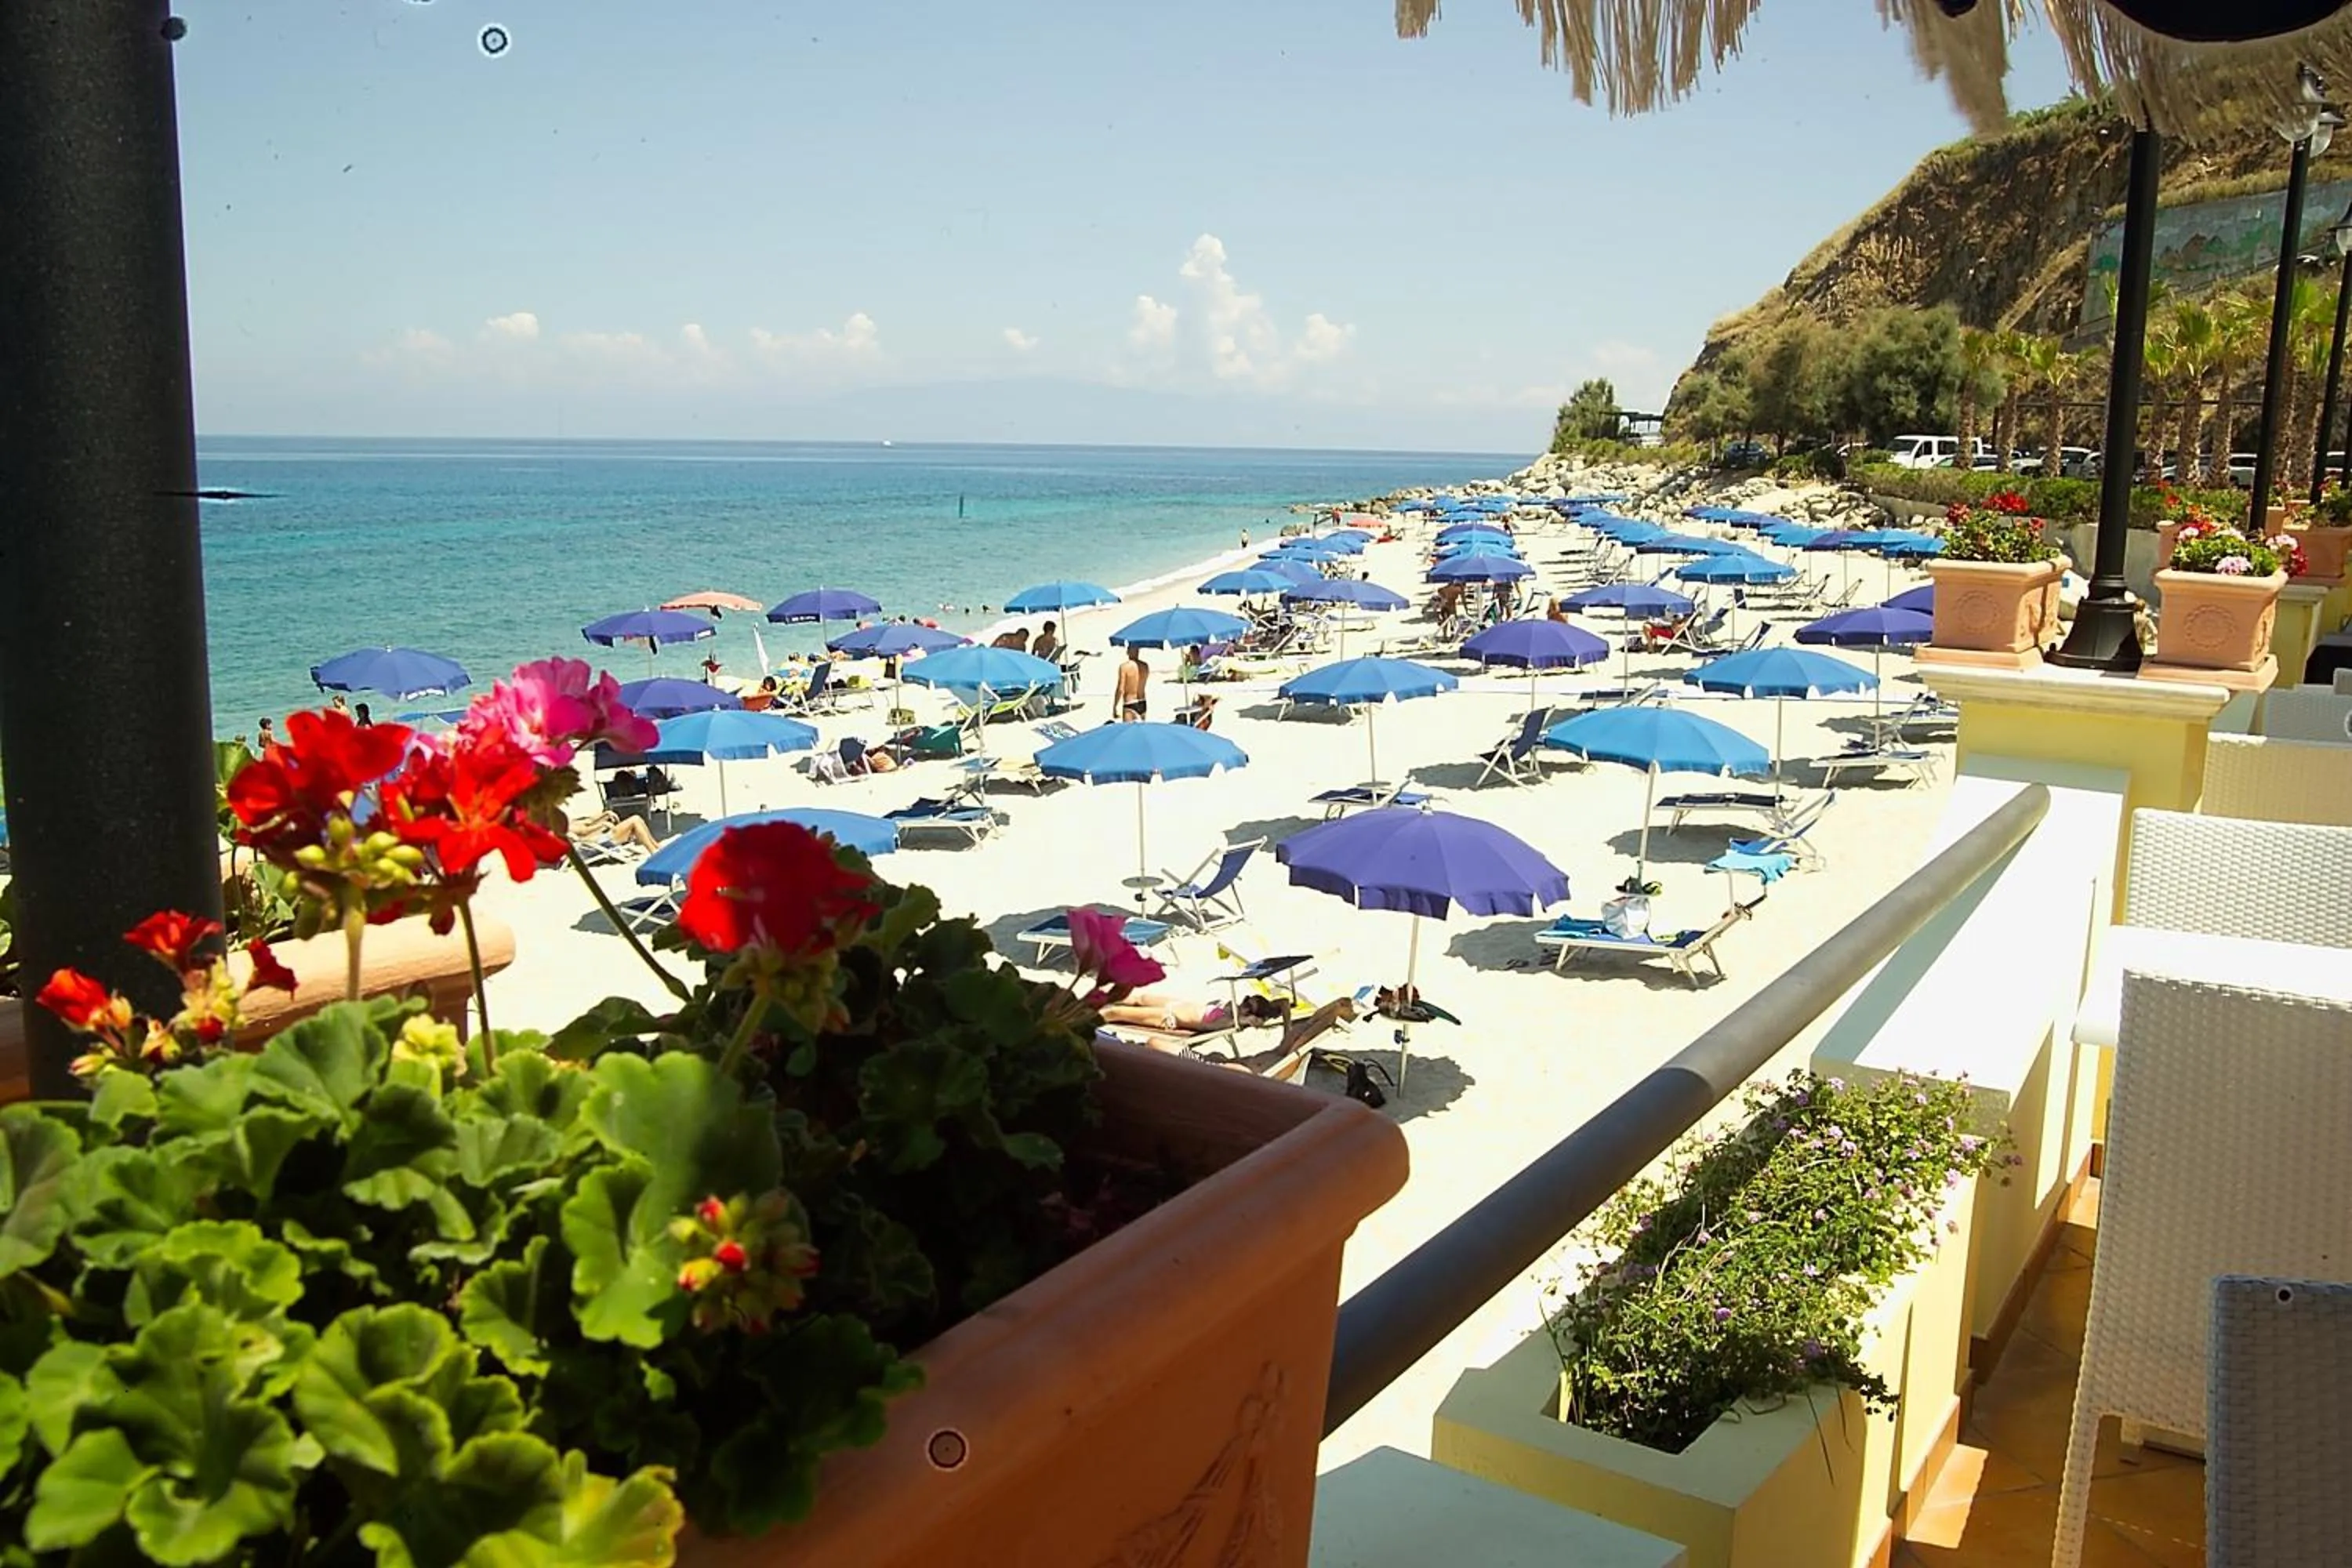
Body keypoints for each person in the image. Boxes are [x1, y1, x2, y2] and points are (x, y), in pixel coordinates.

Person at [569, 809, 661, 854]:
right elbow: (583, 833)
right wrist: (601, 825)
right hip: (593, 844)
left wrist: (605, 814)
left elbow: (588, 822)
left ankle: (656, 846)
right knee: (635, 821)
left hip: (598, 839)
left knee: (637, 820)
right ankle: (654, 852)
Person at [1114, 646, 1149, 721]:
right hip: (1142, 702)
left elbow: (1121, 689)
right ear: (1138, 652)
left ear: (1128, 652)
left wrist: (1115, 706)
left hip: (1130, 703)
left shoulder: (1124, 667)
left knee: (1128, 731)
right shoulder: (1145, 666)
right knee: (1141, 731)